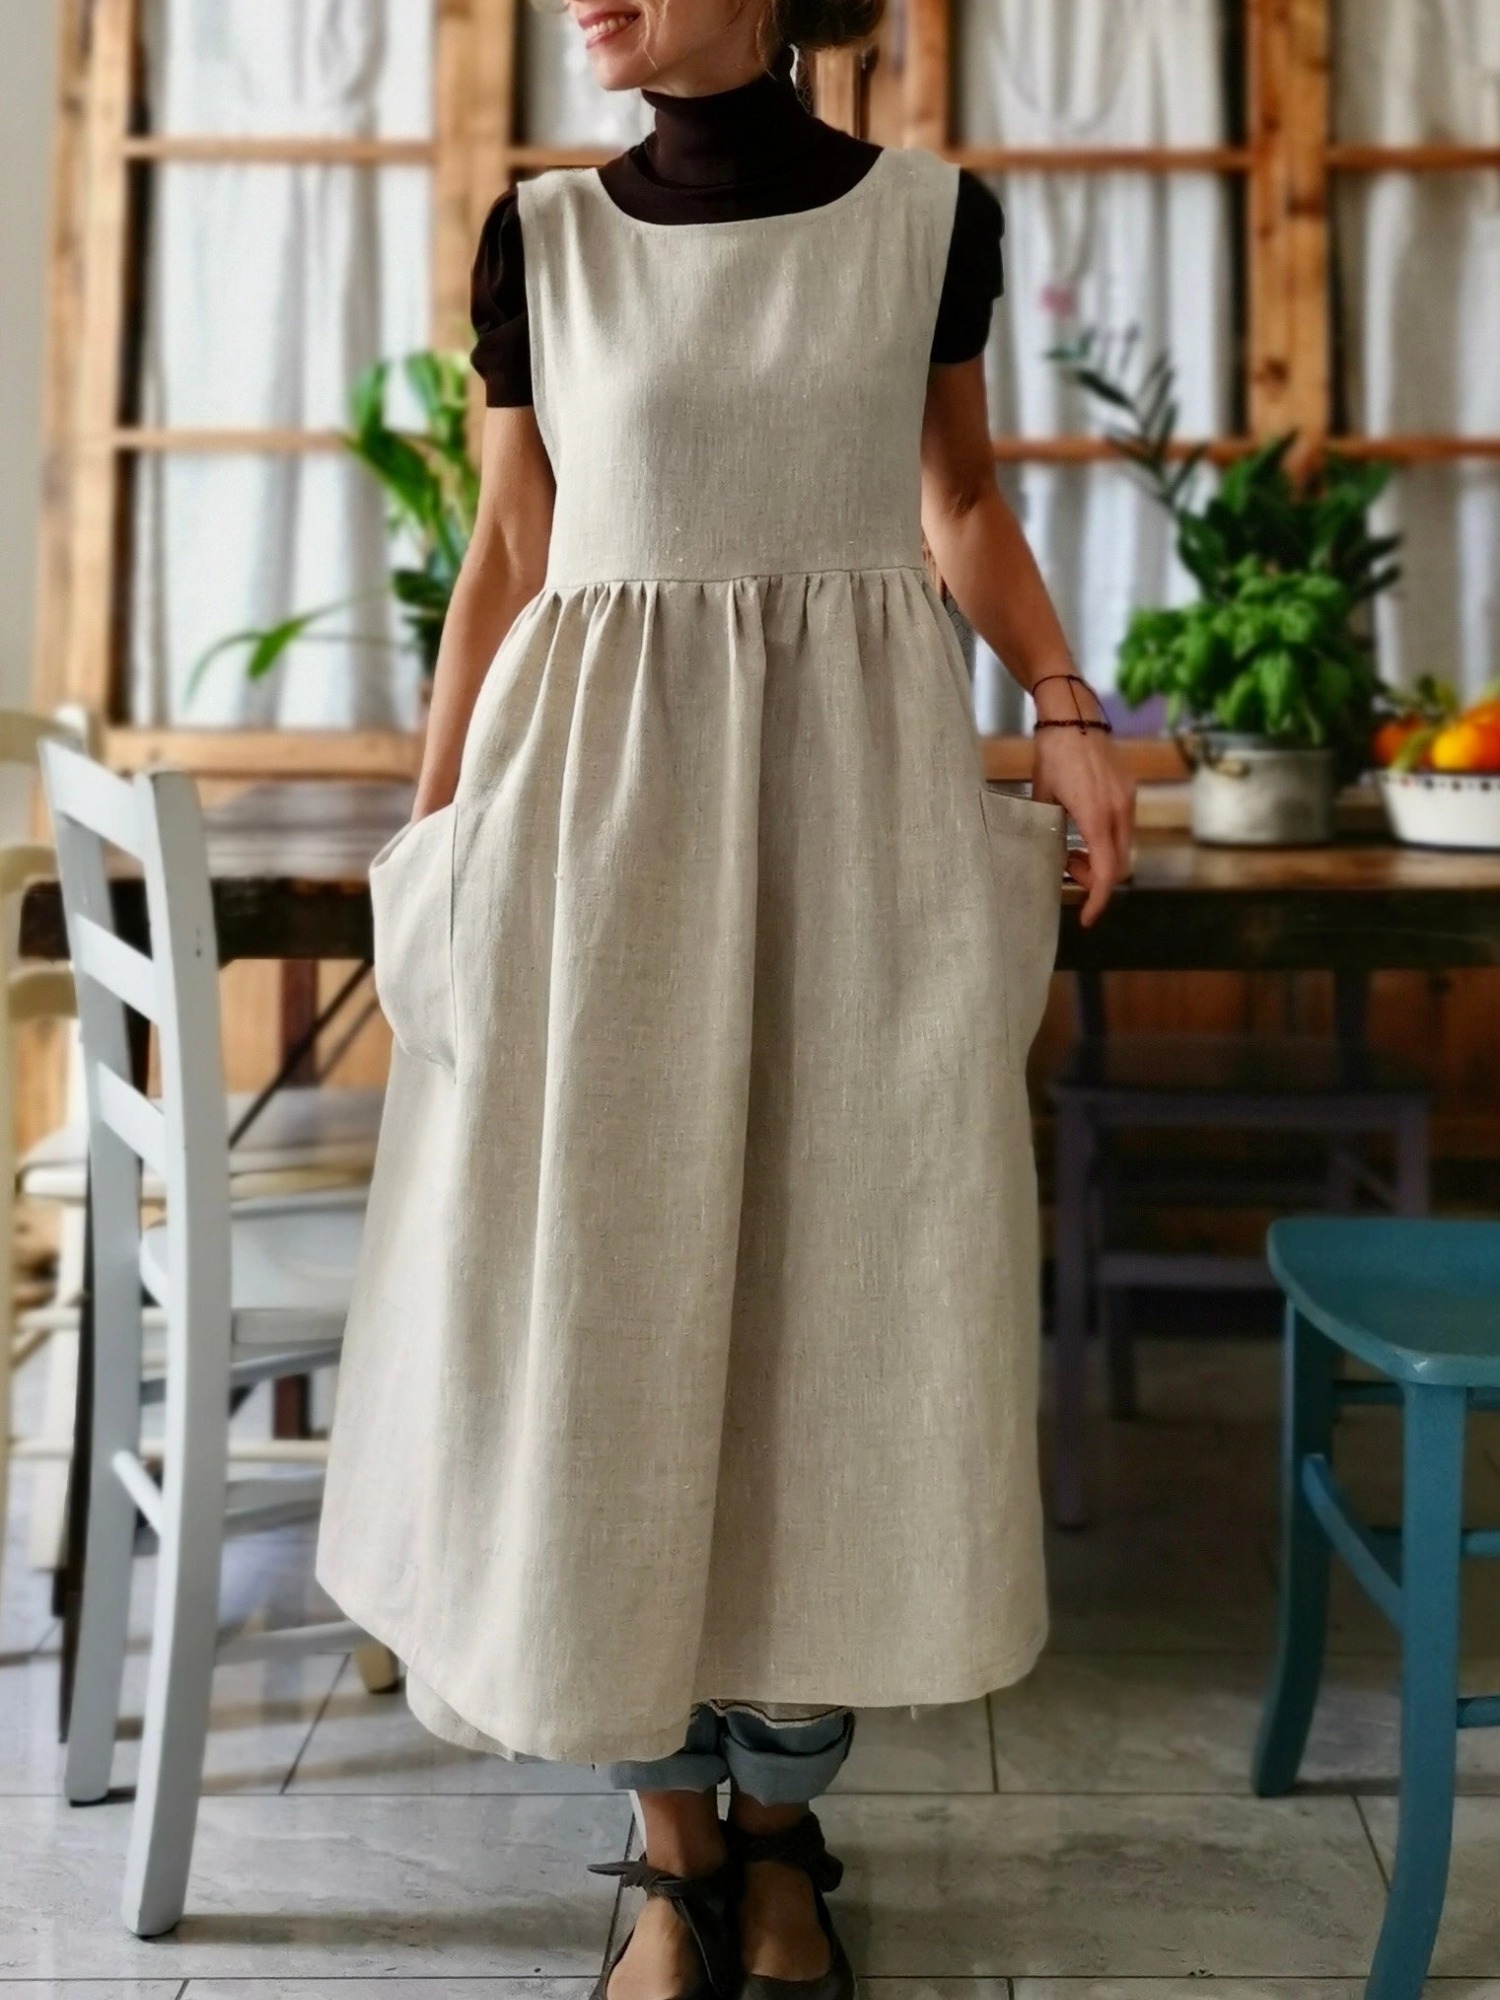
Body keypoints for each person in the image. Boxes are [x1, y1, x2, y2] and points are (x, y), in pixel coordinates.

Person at [316, 1, 1135, 1995]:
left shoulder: (926, 220)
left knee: (843, 1322)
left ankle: (784, 1834)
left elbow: (958, 500)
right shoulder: (542, 236)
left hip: (854, 827)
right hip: (593, 839)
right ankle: (672, 1849)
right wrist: (436, 847)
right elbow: (514, 543)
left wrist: (1067, 704)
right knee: (604, 1325)